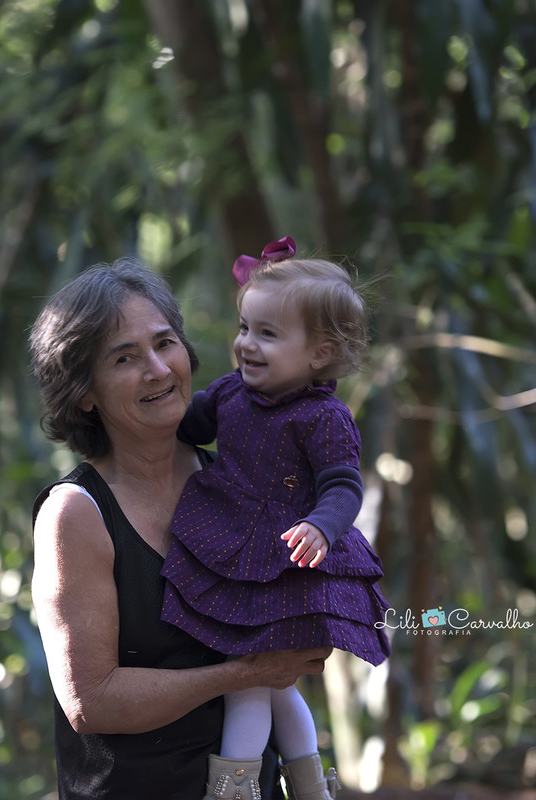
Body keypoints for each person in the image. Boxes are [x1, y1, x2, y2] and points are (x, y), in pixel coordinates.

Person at [28, 258, 331, 800]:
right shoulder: (74, 513)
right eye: (125, 357)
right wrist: (241, 673)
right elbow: (90, 701)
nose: (159, 369)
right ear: (84, 393)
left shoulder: (239, 478)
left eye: (165, 343)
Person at [161, 237, 391, 800]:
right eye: (244, 328)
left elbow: (342, 484)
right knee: (273, 683)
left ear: (319, 354)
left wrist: (321, 525)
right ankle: (312, 786)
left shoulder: (324, 417)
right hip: (234, 546)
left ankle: (233, 790)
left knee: (251, 684)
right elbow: (185, 425)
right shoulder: (230, 394)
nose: (246, 345)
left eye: (267, 334)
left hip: (286, 560)